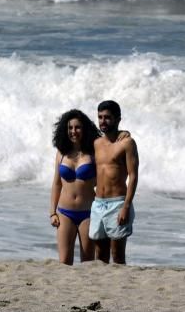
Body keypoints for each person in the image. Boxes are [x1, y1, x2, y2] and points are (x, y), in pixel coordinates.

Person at [90, 100, 139, 265]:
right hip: (98, 204)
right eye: (100, 117)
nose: (103, 121)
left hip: (117, 203)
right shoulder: (96, 143)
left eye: (107, 117)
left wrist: (126, 206)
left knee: (117, 255)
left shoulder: (127, 143)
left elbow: (133, 176)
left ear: (118, 119)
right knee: (100, 255)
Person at [49, 109, 100, 265]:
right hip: (64, 213)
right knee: (64, 262)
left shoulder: (94, 152)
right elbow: (57, 184)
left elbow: (111, 144)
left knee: (87, 261)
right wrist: (52, 212)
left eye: (77, 127)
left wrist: (123, 133)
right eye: (70, 128)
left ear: (84, 129)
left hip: (88, 213)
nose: (73, 131)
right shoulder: (61, 152)